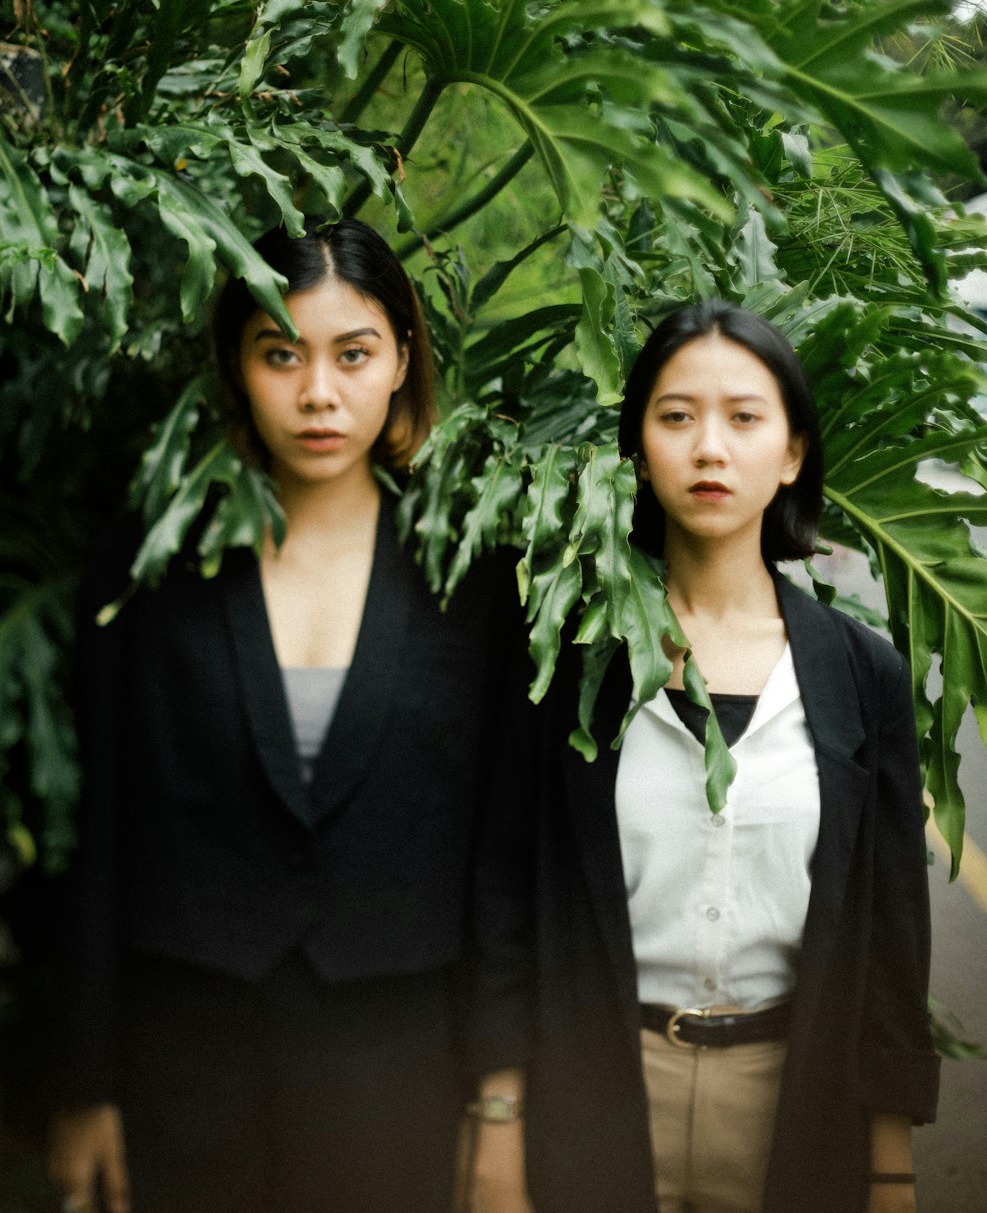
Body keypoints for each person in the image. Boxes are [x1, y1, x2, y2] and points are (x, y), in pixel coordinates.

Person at [47, 218, 534, 1213]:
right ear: (237, 364)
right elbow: (93, 836)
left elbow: (502, 855)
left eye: (352, 354)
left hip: (398, 1072)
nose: (318, 392)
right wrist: (82, 1085)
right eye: (281, 355)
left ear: (400, 358)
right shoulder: (154, 564)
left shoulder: (465, 575)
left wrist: (500, 1108)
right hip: (184, 1071)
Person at [525, 299, 939, 1213]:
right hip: (594, 1094)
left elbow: (890, 941)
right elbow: (514, 911)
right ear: (637, 448)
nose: (710, 448)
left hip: (795, 1100)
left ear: (791, 453)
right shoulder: (569, 660)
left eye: (745, 418)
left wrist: (891, 1172)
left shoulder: (860, 676)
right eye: (676, 417)